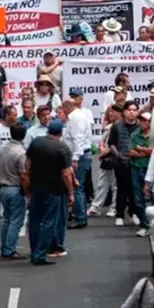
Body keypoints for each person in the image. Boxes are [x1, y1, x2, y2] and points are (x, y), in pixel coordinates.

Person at [24, 120, 74, 265]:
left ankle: (34, 250)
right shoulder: (62, 148)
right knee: (49, 221)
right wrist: (70, 193)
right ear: (61, 132)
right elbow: (66, 173)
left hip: (36, 186)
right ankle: (40, 254)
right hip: (53, 189)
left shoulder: (37, 143)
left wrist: (28, 180)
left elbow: (28, 163)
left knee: (34, 220)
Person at [0, 124, 28, 258]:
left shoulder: (2, 149)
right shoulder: (21, 153)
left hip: (3, 187)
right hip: (15, 188)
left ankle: (4, 246)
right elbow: (23, 175)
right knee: (16, 221)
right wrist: (28, 192)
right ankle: (9, 249)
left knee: (7, 219)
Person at [66, 89, 94, 229]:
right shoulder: (80, 116)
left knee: (77, 186)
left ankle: (80, 218)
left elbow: (78, 139)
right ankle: (80, 216)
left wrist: (75, 158)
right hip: (82, 154)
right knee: (79, 187)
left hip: (80, 155)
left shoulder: (75, 118)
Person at [128, 112, 153, 237]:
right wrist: (146, 152)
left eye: (146, 121)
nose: (143, 123)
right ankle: (144, 225)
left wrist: (140, 149)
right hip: (137, 169)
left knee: (153, 198)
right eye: (141, 120)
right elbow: (131, 152)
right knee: (139, 199)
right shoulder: (134, 135)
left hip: (151, 169)